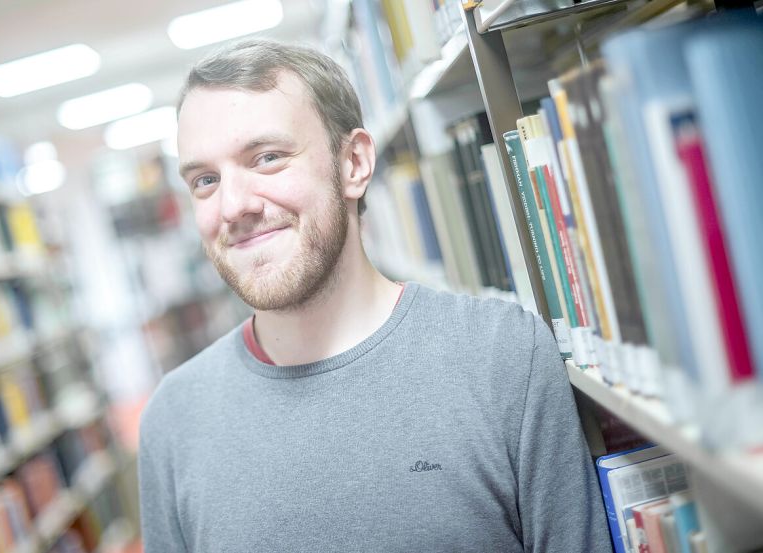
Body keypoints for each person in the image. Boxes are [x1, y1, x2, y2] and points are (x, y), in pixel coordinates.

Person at [137, 38, 612, 552]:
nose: (232, 206)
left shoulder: (503, 357)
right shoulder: (174, 419)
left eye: (268, 157)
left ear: (354, 165)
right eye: (205, 180)